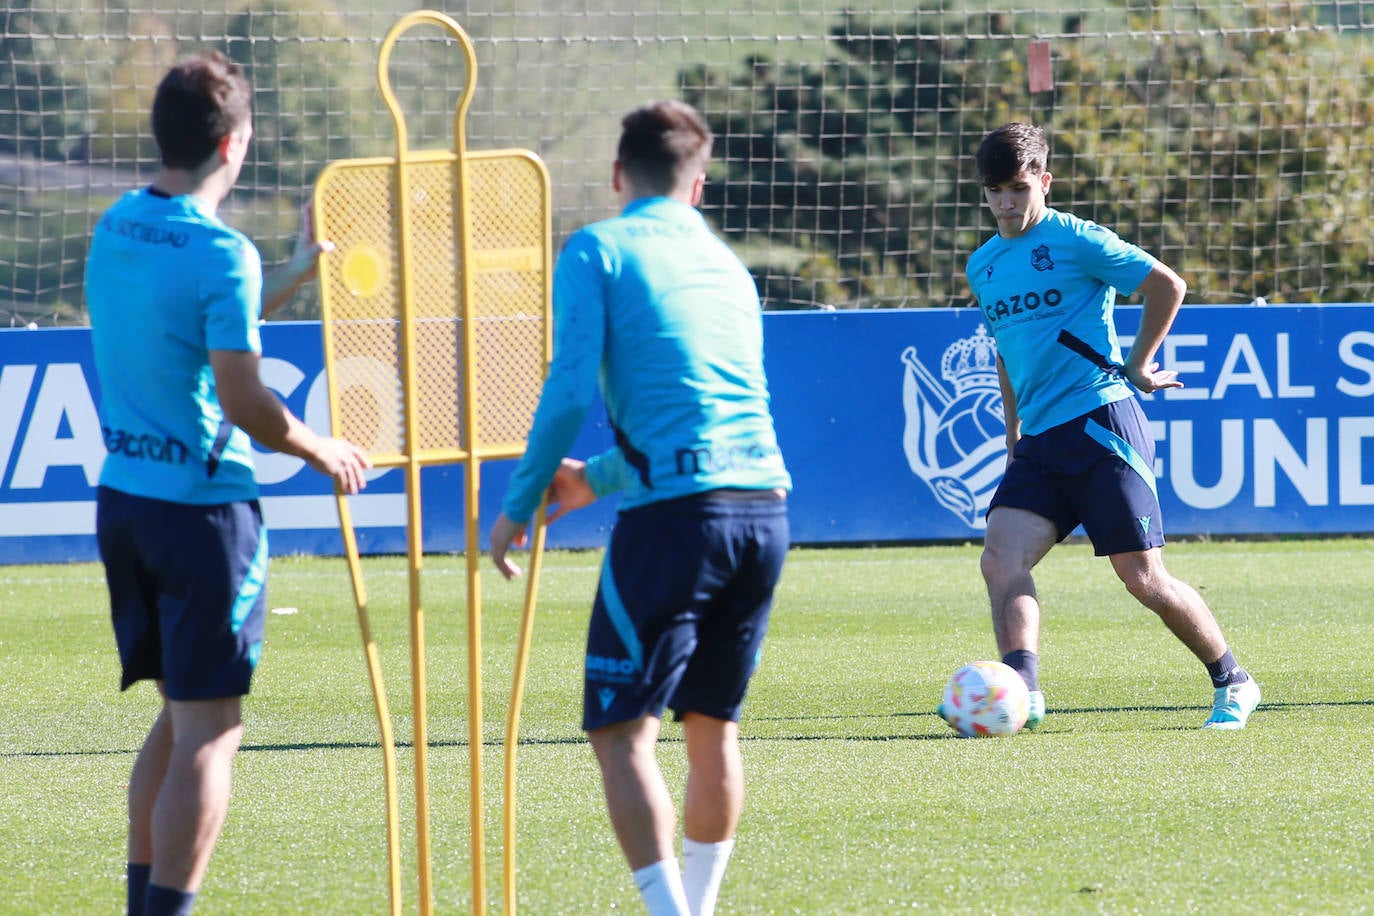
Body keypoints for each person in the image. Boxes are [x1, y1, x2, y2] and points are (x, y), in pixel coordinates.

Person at [85, 51, 372, 915]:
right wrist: (321, 448)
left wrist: (290, 272)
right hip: (203, 516)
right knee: (213, 731)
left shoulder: (120, 225)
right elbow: (243, 395)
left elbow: (198, 318)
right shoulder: (222, 254)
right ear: (236, 144)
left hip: (127, 501)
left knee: (180, 719)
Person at [488, 100, 791, 916]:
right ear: (699, 185)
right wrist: (599, 479)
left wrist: (519, 500)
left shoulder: (597, 247)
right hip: (764, 512)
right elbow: (715, 422)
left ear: (620, 176)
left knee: (621, 733)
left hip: (676, 528)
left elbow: (564, 394)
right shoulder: (728, 265)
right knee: (712, 730)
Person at [965, 122, 1260, 731]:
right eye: (994, 190)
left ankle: (1234, 680)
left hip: (1101, 422)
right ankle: (1022, 689)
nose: (1006, 203)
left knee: (1142, 577)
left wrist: (1140, 363)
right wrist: (1013, 433)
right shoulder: (984, 265)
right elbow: (1006, 350)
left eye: (1018, 188)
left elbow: (1165, 285)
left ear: (1043, 182)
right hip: (1041, 442)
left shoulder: (1077, 239)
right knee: (1001, 558)